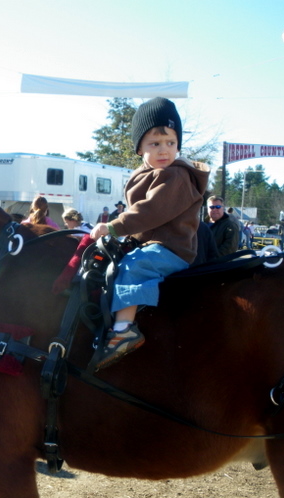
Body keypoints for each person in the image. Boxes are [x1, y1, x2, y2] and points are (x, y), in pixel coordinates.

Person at [89, 97, 209, 370]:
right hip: (151, 243)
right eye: (155, 143)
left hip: (171, 248)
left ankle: (124, 330)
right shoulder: (147, 173)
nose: (164, 150)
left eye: (171, 143)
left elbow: (150, 211)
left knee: (135, 265)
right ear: (139, 147)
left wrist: (113, 226)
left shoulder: (177, 176)